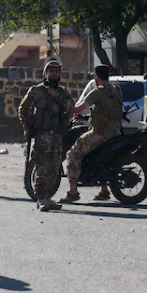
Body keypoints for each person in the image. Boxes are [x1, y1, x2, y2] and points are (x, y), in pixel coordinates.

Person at [60, 65, 124, 203]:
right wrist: (91, 115)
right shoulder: (116, 90)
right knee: (99, 157)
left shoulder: (97, 91)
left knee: (72, 154)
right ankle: (104, 190)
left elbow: (78, 108)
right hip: (116, 132)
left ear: (96, 77)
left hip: (101, 133)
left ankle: (72, 192)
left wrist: (65, 108)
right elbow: (108, 110)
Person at [19, 59, 75, 212]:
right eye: (51, 71)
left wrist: (57, 95)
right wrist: (27, 127)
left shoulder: (62, 92)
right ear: (46, 73)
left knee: (55, 167)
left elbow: (71, 108)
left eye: (56, 71)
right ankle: (41, 198)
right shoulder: (36, 90)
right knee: (42, 167)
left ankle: (48, 197)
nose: (54, 73)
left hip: (57, 134)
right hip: (41, 134)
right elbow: (23, 108)